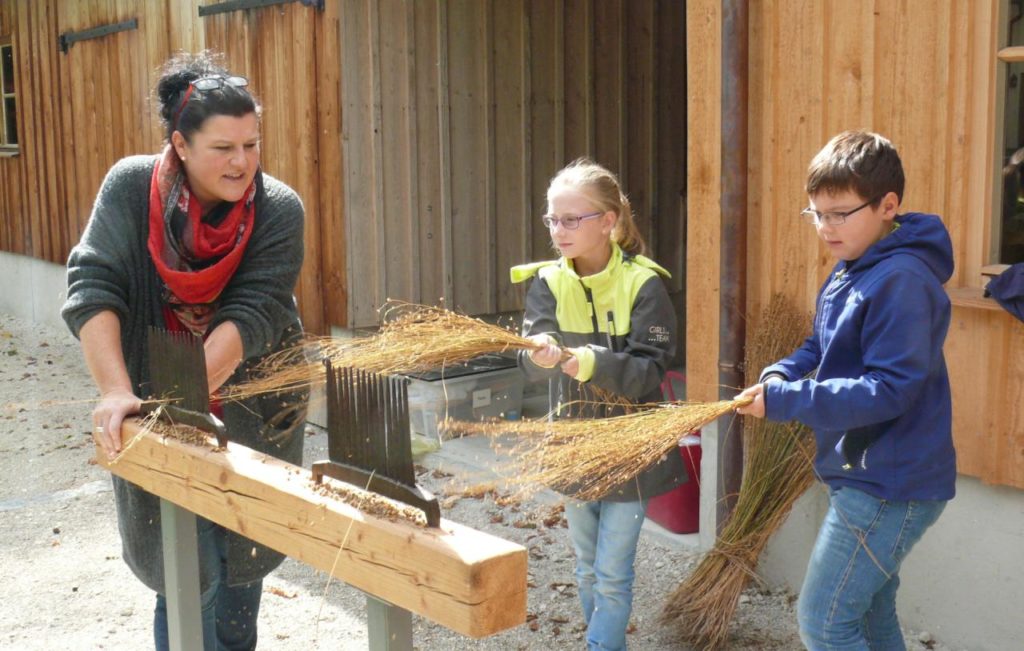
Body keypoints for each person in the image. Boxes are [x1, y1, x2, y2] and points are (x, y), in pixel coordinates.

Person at [61, 51, 308, 650]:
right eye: (223, 147)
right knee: (183, 573)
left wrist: (177, 395)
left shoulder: (277, 208)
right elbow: (93, 286)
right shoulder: (129, 187)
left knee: (238, 574)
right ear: (180, 143)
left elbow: (256, 312)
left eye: (251, 145)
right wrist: (121, 392)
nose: (242, 162)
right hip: (154, 406)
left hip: (253, 409)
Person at [736, 130, 956, 651]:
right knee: (872, 616)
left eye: (839, 213)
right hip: (866, 474)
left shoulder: (900, 279)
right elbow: (819, 345)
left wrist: (789, 402)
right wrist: (781, 373)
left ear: (888, 205)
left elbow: (889, 390)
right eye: (815, 213)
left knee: (824, 622)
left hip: (889, 486)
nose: (825, 227)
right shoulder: (854, 267)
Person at [511, 158, 686, 651]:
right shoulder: (547, 281)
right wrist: (541, 355)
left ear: (608, 222)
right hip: (573, 440)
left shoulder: (645, 284)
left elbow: (650, 370)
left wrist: (588, 361)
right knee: (586, 566)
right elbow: (528, 359)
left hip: (631, 446)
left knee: (612, 572)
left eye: (572, 219)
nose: (558, 231)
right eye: (552, 220)